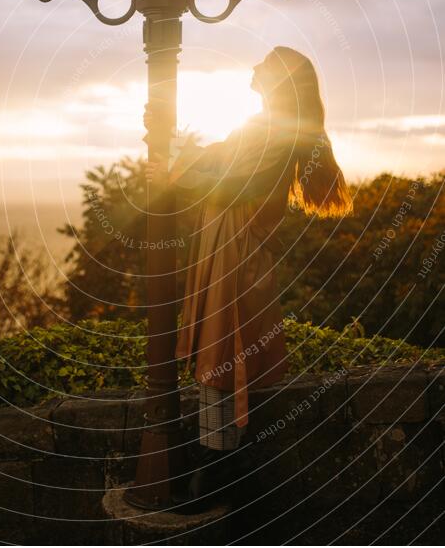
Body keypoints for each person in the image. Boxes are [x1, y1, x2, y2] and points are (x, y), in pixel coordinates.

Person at [145, 46, 353, 501]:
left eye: (264, 64)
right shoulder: (266, 127)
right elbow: (223, 160)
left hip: (236, 253)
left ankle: (216, 472)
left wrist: (171, 172)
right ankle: (225, 465)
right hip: (232, 248)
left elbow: (232, 178)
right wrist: (179, 160)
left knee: (222, 351)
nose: (254, 66)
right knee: (221, 349)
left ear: (277, 80)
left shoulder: (270, 130)